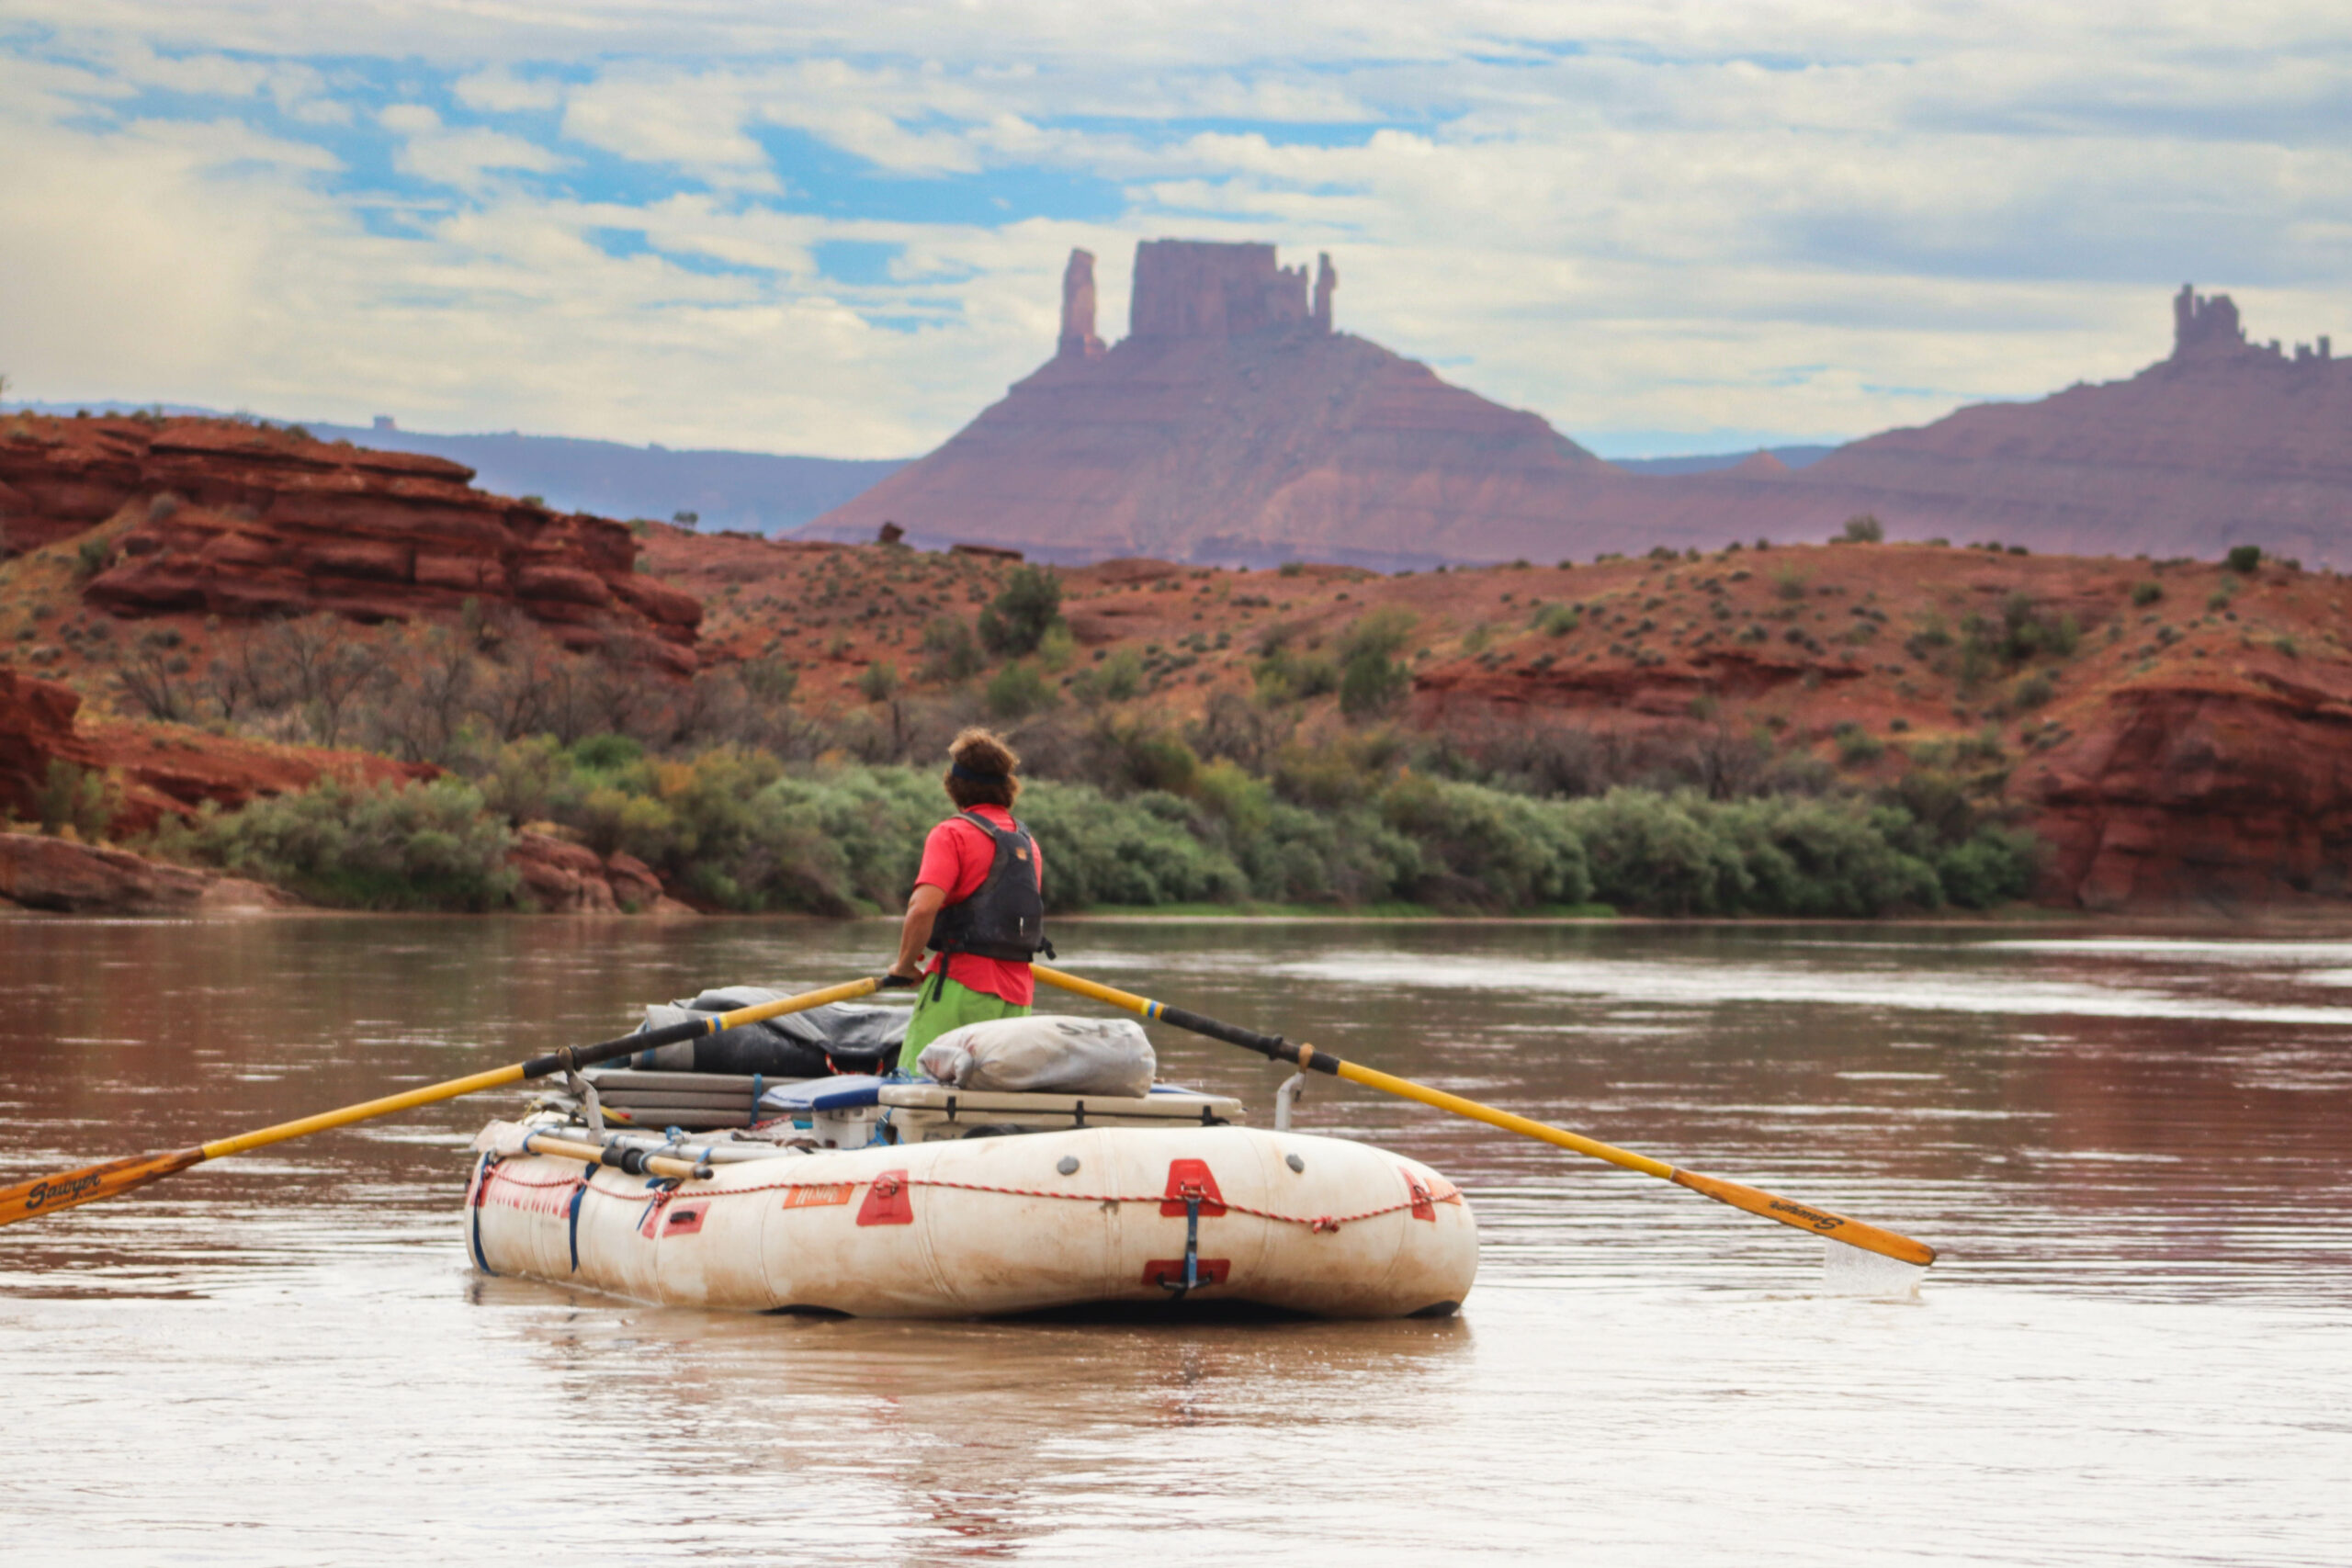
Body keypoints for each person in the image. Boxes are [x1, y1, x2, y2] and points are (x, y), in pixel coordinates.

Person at [887, 728, 1050, 1075]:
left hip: (959, 986)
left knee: (918, 1087)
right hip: (1017, 998)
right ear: (1008, 788)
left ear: (954, 786)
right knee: (989, 1099)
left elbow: (922, 907)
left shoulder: (952, 834)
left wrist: (903, 965)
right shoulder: (1027, 844)